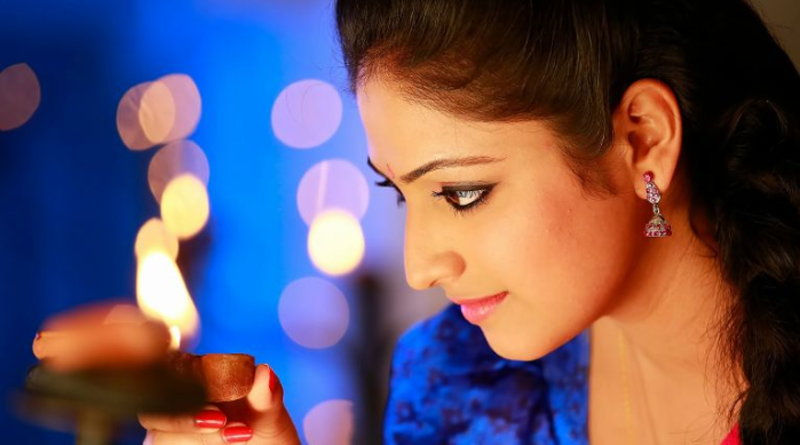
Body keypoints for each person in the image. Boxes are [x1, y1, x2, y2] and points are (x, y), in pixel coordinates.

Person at [139, 0, 800, 443]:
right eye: (399, 192)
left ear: (643, 139)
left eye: (461, 193)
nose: (419, 266)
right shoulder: (453, 385)